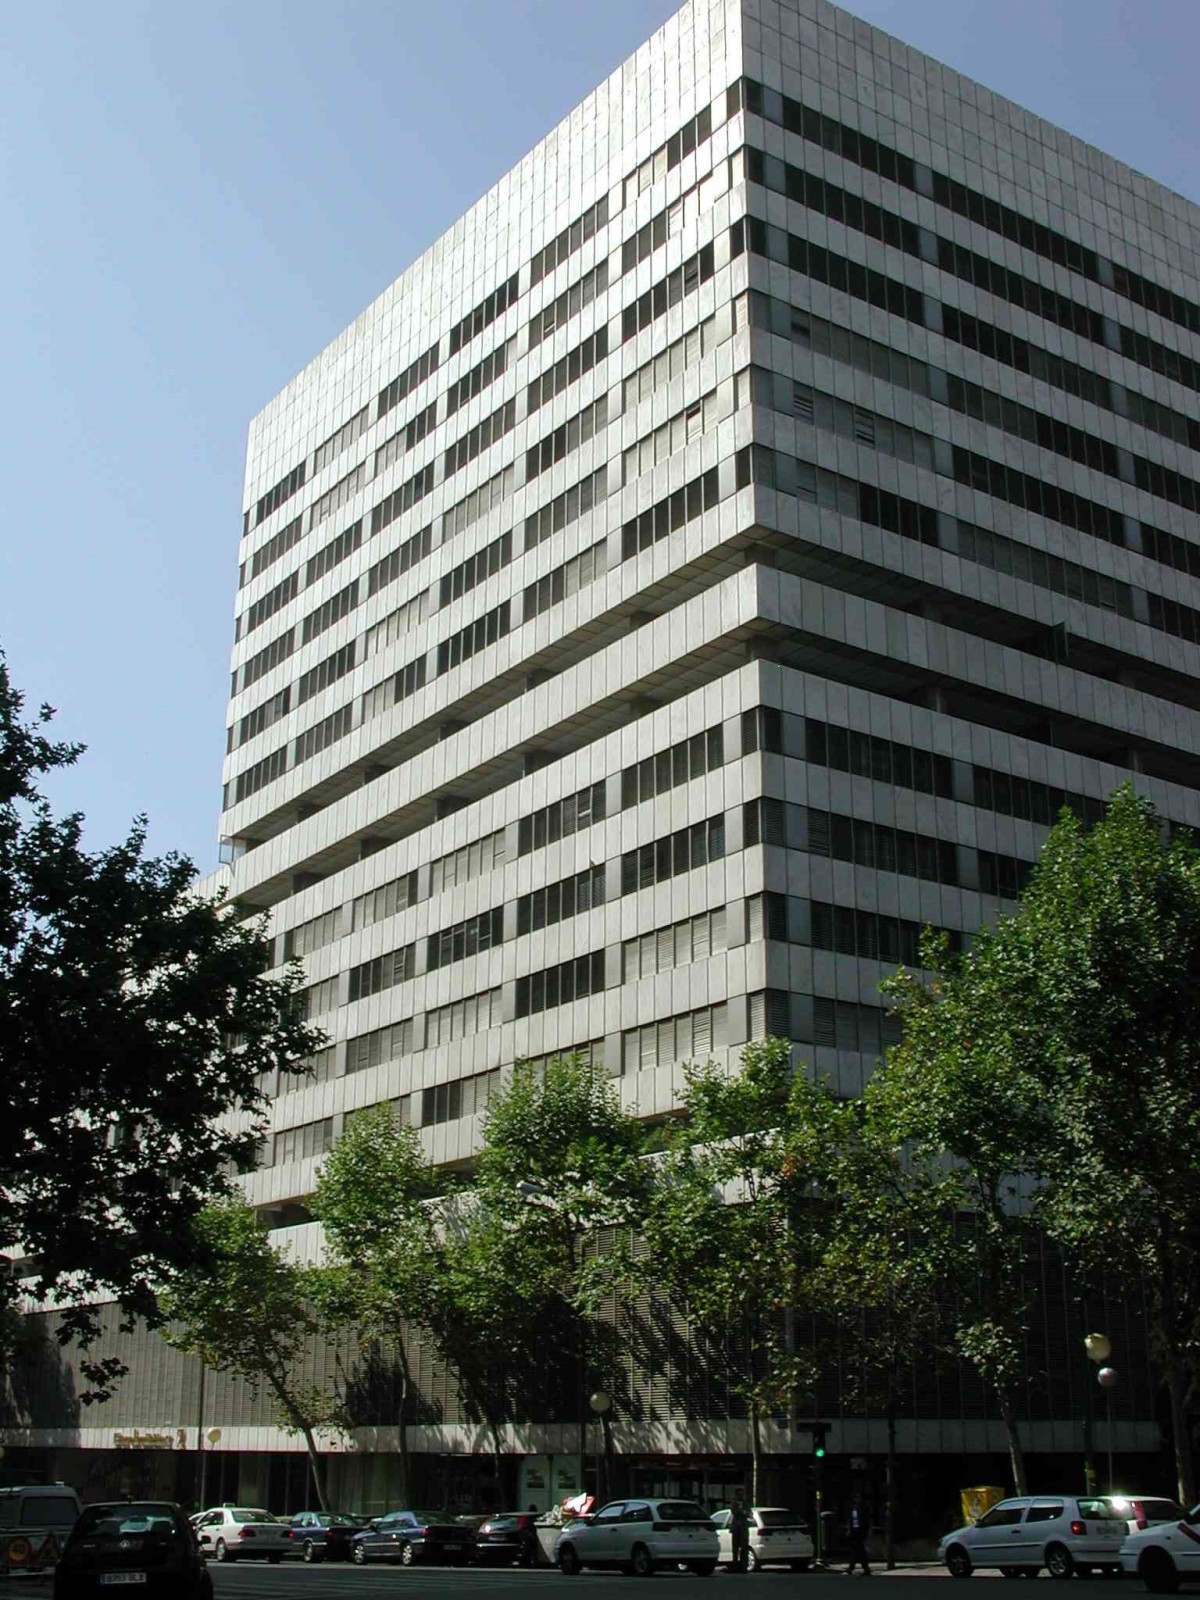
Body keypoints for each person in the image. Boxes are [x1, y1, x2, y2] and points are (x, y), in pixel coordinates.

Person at [845, 1498, 871, 1576]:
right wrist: (849, 1530)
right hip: (854, 1531)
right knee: (860, 1551)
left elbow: (866, 1521)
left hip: (860, 1531)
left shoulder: (863, 1509)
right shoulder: (852, 1509)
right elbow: (850, 1520)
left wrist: (865, 1532)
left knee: (857, 1550)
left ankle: (851, 1568)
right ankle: (865, 1569)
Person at [729, 1492, 751, 1572]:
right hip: (735, 1529)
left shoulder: (746, 1504)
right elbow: (734, 1512)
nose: (740, 1496)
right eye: (739, 1494)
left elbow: (749, 1513)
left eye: (742, 1494)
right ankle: (735, 1566)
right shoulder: (734, 1503)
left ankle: (743, 1567)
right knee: (735, 1548)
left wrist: (744, 1512)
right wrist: (742, 1511)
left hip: (744, 1528)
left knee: (744, 1548)